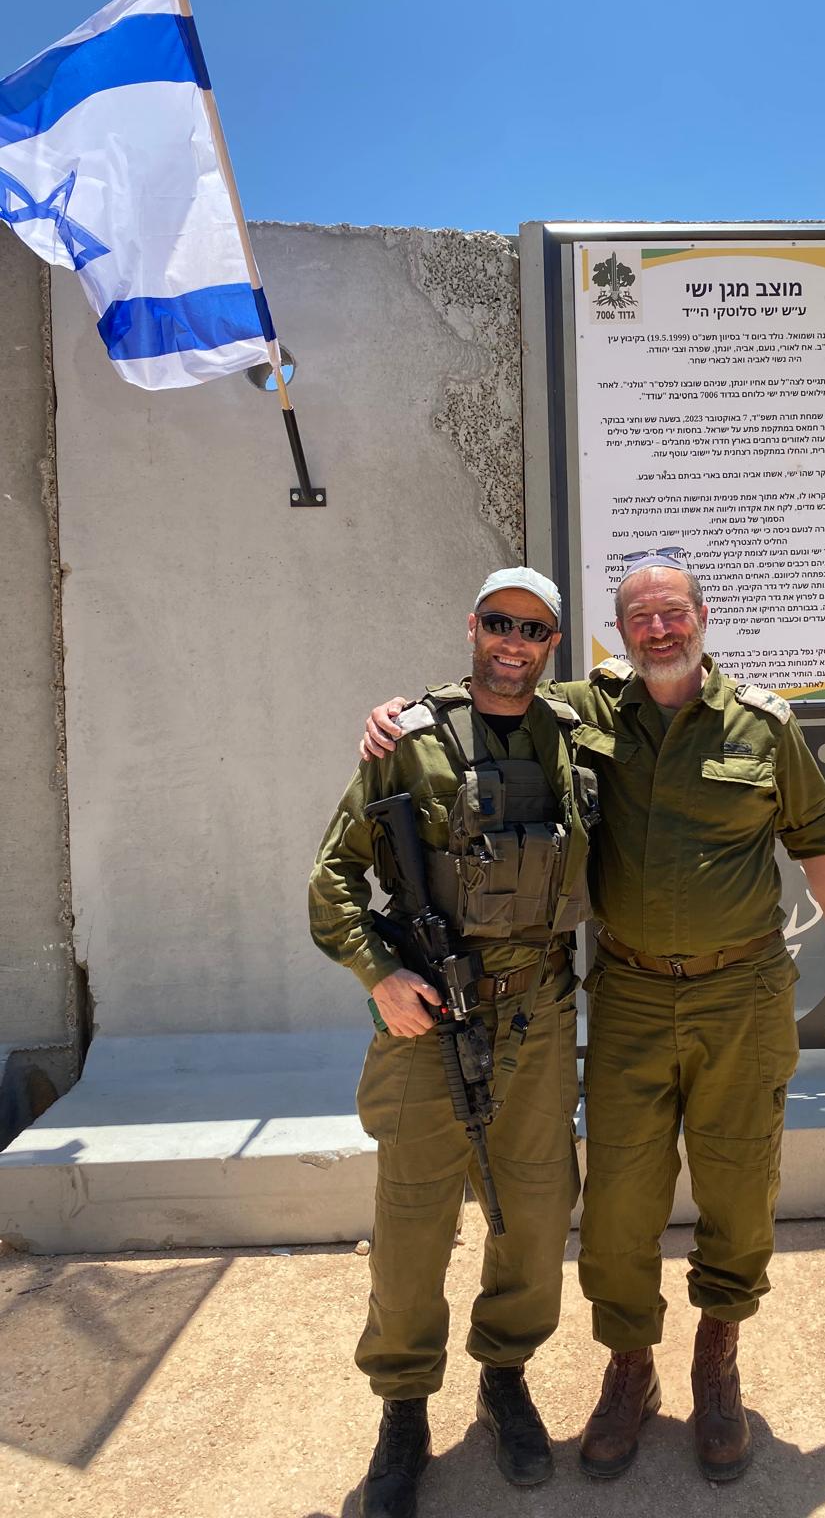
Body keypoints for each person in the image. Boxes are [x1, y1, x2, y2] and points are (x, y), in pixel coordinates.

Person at [359, 553, 825, 1484]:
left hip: (743, 994)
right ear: (616, 635)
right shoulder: (585, 713)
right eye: (640, 619)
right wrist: (397, 714)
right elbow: (498, 686)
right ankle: (630, 1368)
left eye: (673, 615)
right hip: (630, 994)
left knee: (738, 1183)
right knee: (617, 1199)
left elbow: (818, 839)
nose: (659, 632)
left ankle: (717, 1361)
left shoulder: (766, 726)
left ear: (704, 617)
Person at [310, 566, 597, 1518]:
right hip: (431, 1012)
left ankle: (504, 1375)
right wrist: (381, 978)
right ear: (471, 627)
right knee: (412, 1222)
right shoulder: (410, 742)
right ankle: (403, 1407)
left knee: (534, 1208)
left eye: (535, 630)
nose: (514, 642)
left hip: (540, 1014)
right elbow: (334, 885)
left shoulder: (576, 735)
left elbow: (668, 682)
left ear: (554, 645)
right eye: (499, 624)